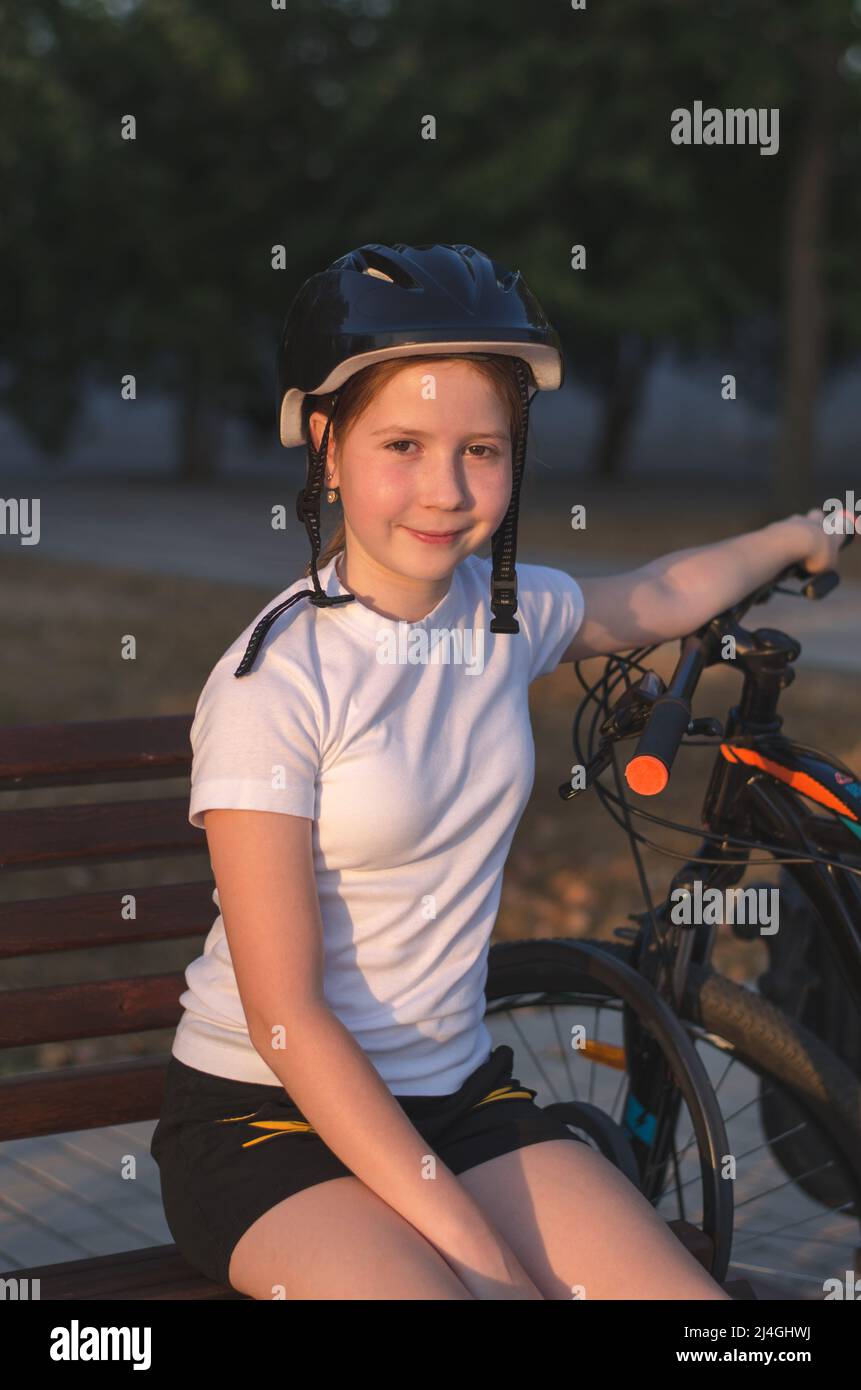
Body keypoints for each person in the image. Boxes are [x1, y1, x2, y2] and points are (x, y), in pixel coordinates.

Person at [150, 243, 847, 1301]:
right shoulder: (274, 686)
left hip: (455, 1099)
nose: (445, 488)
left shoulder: (500, 615)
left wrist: (805, 529)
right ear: (327, 448)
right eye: (403, 444)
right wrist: (473, 1247)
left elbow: (656, 595)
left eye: (481, 448)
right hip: (266, 1121)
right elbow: (285, 1016)